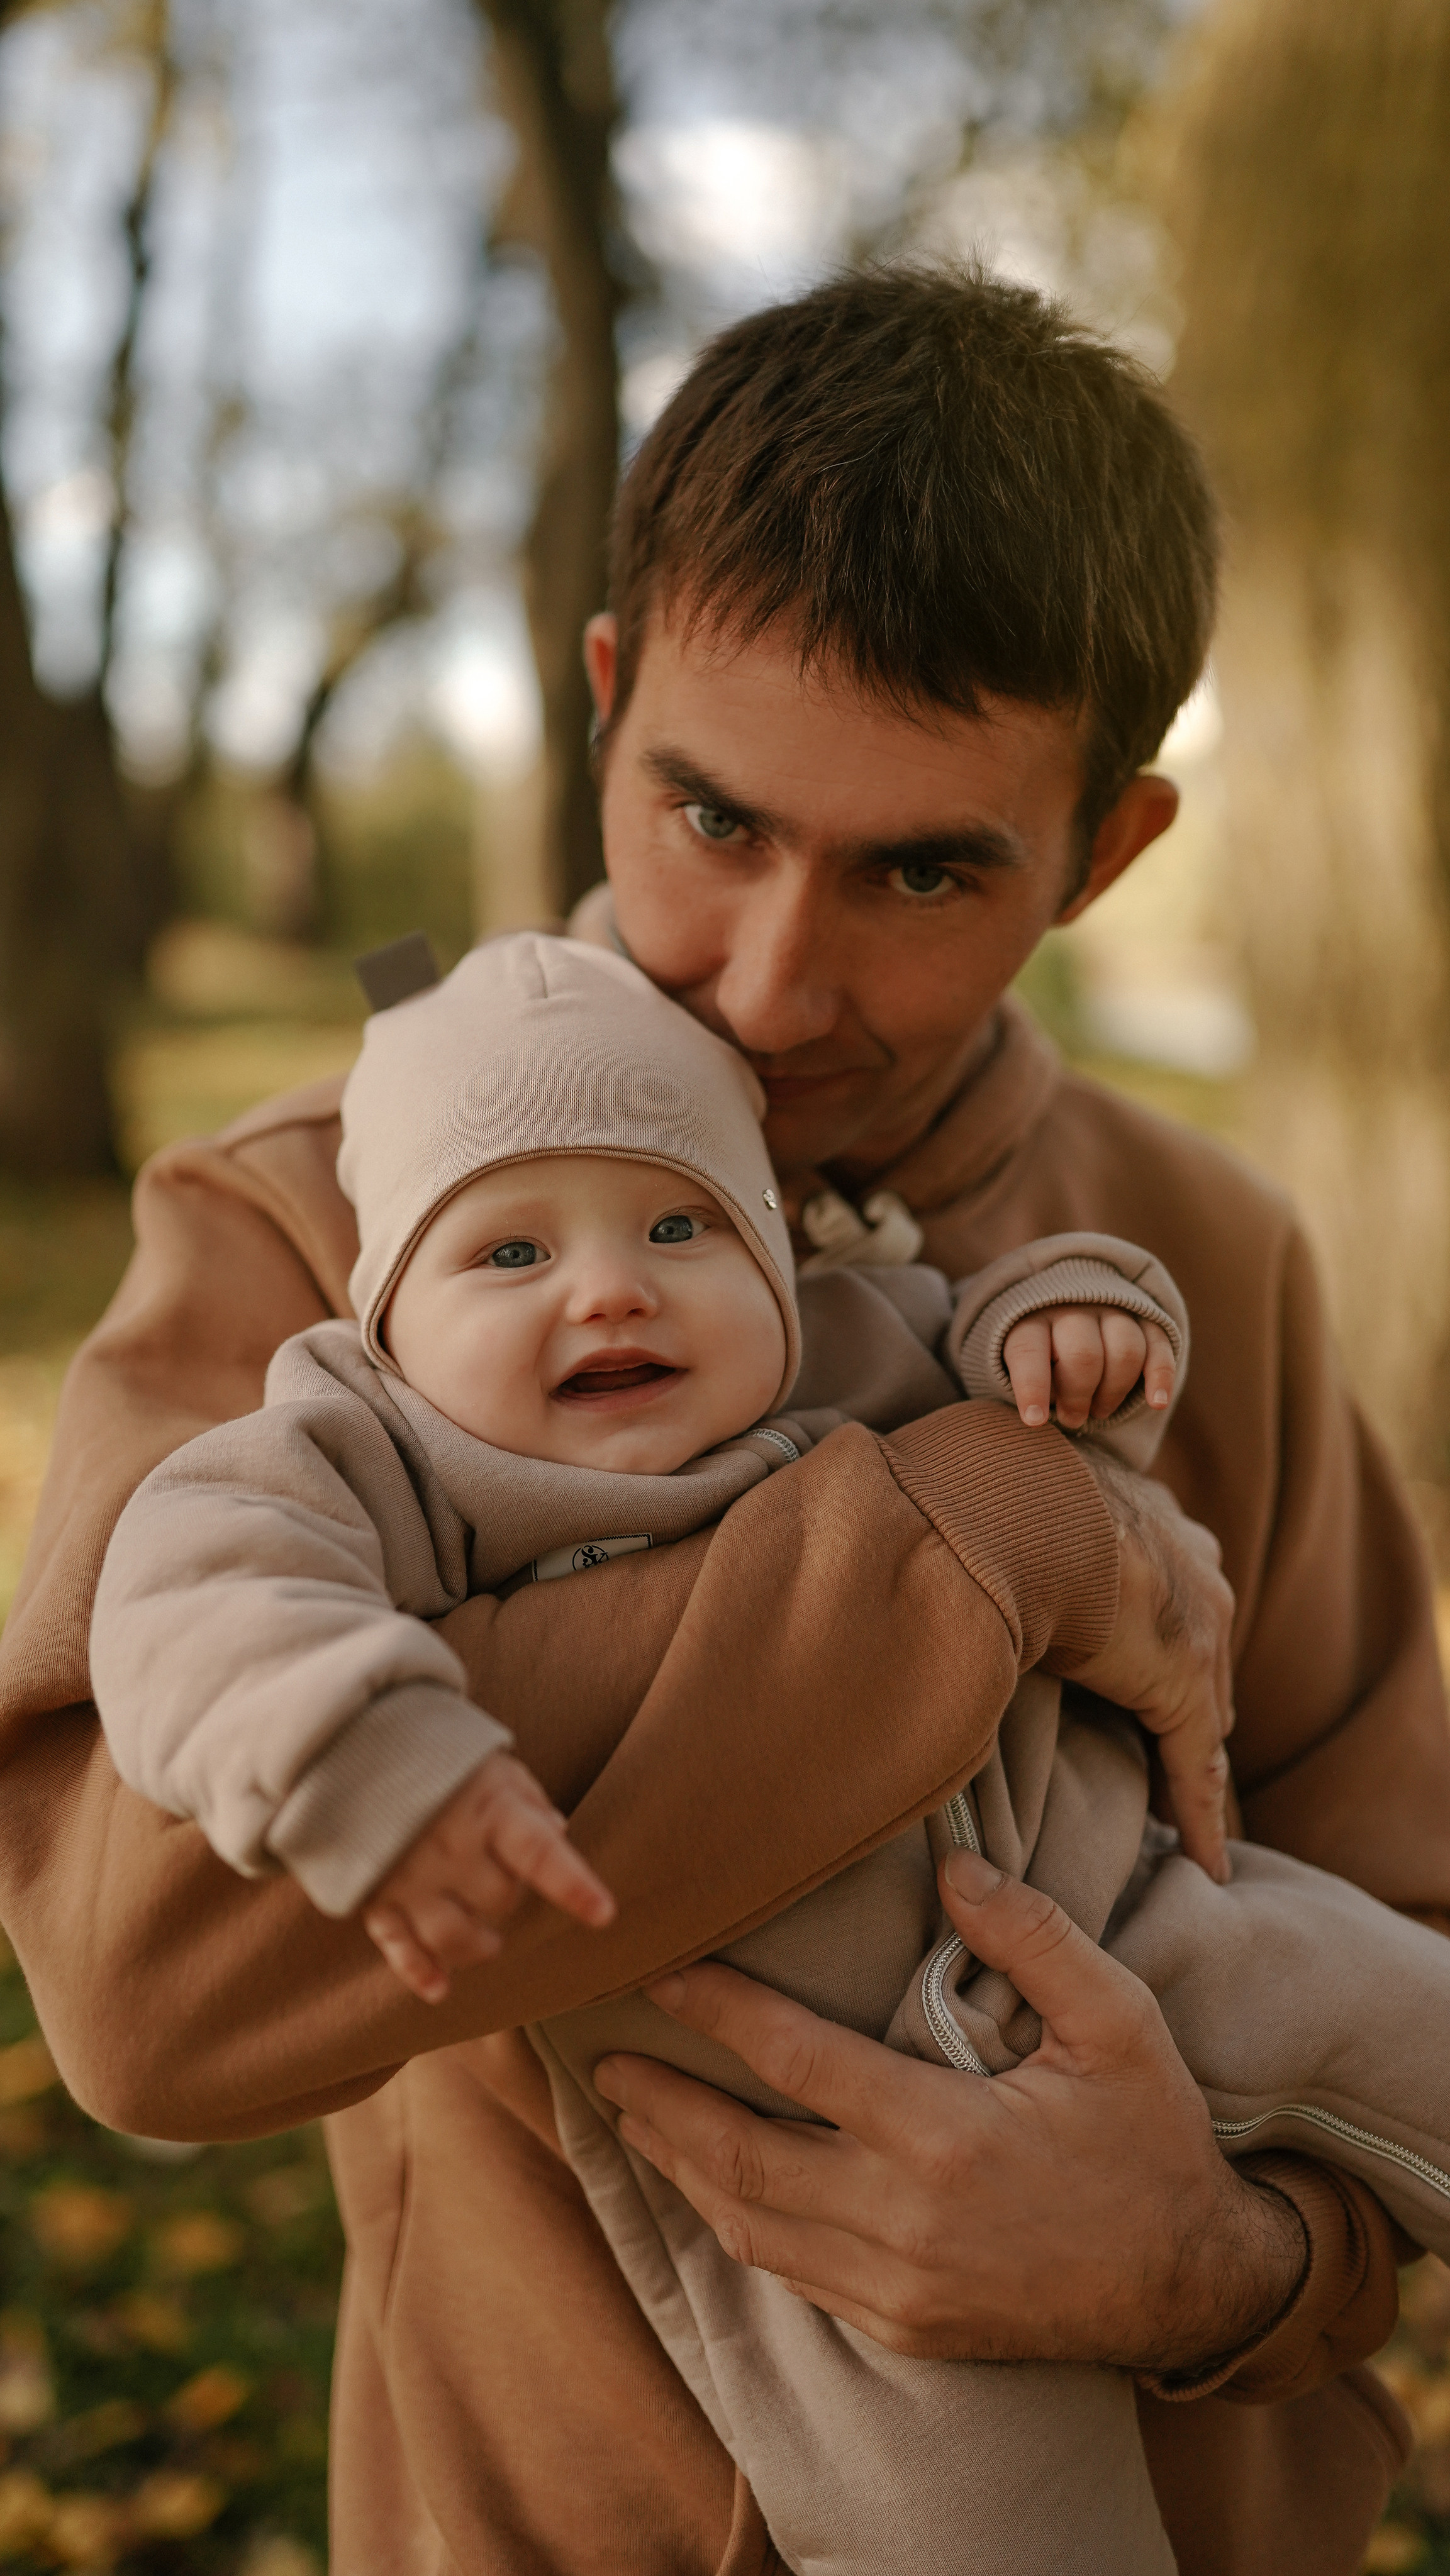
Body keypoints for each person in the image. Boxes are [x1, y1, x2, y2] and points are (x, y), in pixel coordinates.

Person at [1, 266, 1445, 2576]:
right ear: (605, 702)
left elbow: (1393, 1947)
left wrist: (1215, 2270)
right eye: (710, 815)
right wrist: (973, 1550)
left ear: (1104, 853)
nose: (768, 989)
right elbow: (148, 1990)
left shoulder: (1207, 1256)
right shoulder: (306, 1222)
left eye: (923, 869)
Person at [87, 932, 1450, 2576]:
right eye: (509, 1251)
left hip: (1130, 1923)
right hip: (805, 2147)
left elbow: (1020, 1341)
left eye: (680, 1228)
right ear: (387, 1316)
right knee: (989, 2517)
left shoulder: (842, 1339)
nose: (612, 1287)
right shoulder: (372, 1445)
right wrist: (359, 1747)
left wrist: (1075, 1320)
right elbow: (197, 1589)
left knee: (1407, 2014)